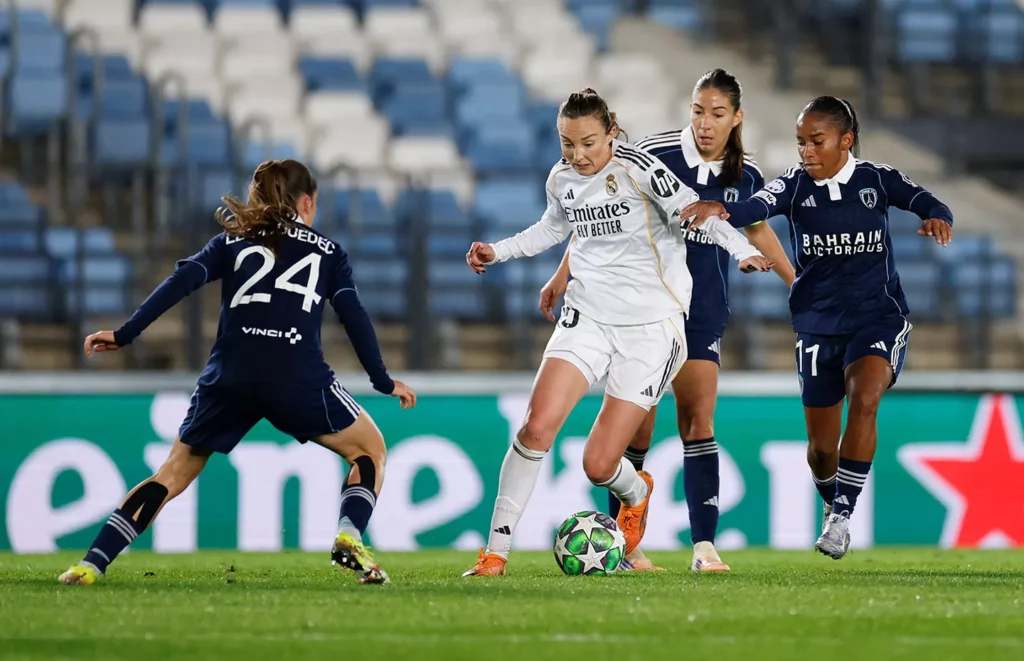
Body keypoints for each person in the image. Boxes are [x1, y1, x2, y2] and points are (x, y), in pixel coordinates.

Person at [461, 88, 775, 577]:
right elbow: (551, 228)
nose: (578, 156)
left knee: (598, 464)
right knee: (534, 427)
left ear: (612, 131)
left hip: (653, 327)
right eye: (567, 144)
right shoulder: (561, 176)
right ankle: (494, 555)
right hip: (587, 316)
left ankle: (639, 492)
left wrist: (742, 252)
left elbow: (700, 215)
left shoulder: (641, 169)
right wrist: (497, 252)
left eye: (588, 142)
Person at [58, 159, 416, 586]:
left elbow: (183, 279)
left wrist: (125, 333)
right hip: (296, 375)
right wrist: (381, 380)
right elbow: (353, 316)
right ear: (306, 201)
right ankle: (349, 535)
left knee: (171, 473)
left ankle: (91, 564)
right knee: (369, 450)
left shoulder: (231, 240)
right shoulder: (328, 251)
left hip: (231, 375)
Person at [540, 69, 795, 574]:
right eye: (699, 111)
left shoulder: (746, 175)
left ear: (736, 118)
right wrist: (561, 274)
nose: (705, 123)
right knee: (638, 433)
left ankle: (704, 549)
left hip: (702, 313)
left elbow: (759, 231)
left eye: (717, 114)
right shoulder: (656, 153)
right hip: (646, 311)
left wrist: (797, 283)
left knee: (698, 421)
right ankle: (627, 549)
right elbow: (598, 211)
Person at [680, 96, 953, 559]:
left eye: (816, 141)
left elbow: (925, 199)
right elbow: (754, 207)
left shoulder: (876, 180)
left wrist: (937, 216)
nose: (806, 150)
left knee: (865, 396)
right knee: (821, 450)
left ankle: (842, 517)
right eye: (801, 141)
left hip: (877, 317)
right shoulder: (793, 185)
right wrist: (719, 209)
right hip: (817, 324)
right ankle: (833, 503)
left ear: (845, 141)